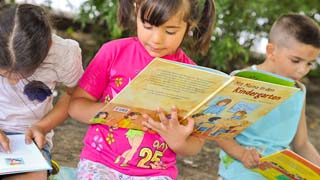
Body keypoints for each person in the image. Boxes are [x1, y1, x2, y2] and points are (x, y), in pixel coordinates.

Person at [68, 0, 216, 179]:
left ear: (189, 25)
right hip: (100, 163)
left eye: (170, 31)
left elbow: (195, 144)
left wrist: (178, 141)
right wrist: (116, 111)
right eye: (148, 26)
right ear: (136, 10)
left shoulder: (191, 75)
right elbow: (76, 106)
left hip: (156, 172)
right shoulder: (114, 52)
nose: (156, 39)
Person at [216, 13, 320, 179]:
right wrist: (242, 154)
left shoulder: (299, 90)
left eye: (309, 63)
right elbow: (219, 131)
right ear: (271, 51)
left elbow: (301, 143)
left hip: (278, 173)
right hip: (239, 170)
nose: (303, 70)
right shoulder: (243, 80)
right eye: (295, 60)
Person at [0, 3, 83, 180]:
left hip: (29, 139)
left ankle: (43, 165)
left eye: (23, 73)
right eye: (4, 73)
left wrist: (42, 127)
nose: (13, 81)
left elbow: (74, 95)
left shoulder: (64, 53)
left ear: (48, 47)